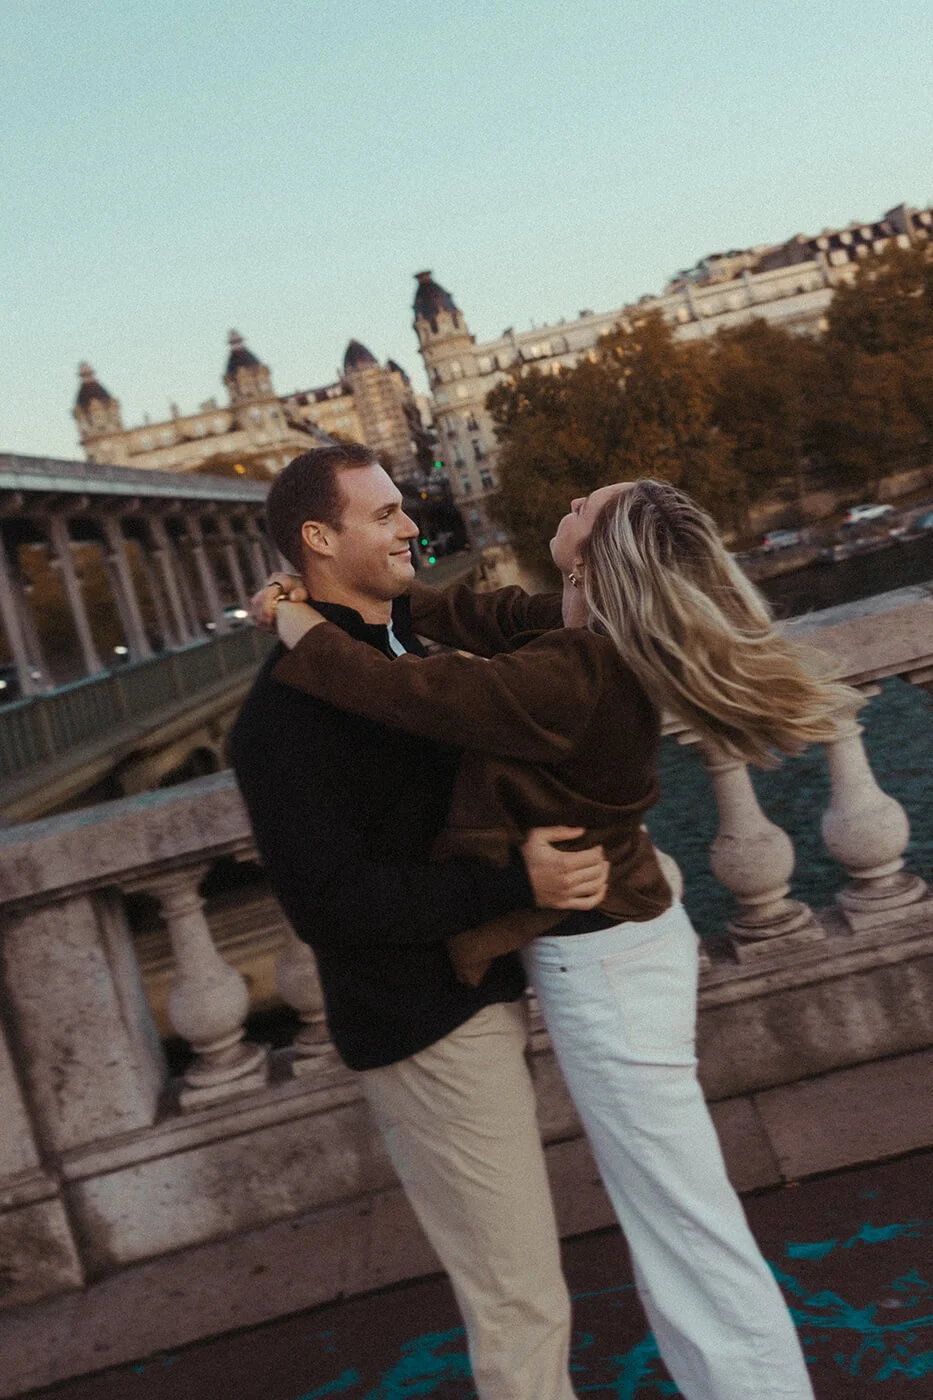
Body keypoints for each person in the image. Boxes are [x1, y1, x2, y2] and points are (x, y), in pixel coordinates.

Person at [257, 476, 854, 1400]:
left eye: (584, 504)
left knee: (680, 1225)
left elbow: (414, 690)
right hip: (618, 942)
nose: (565, 502)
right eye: (383, 514)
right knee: (675, 1216)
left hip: (604, 958)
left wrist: (301, 627)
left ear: (599, 551)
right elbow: (471, 609)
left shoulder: (574, 669)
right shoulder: (570, 625)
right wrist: (360, 593)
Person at [229, 443, 612, 1400]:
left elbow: (524, 630)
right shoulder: (280, 721)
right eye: (385, 514)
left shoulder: (396, 648)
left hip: (474, 991)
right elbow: (332, 907)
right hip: (423, 1022)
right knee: (518, 1301)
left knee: (526, 1291)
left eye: (405, 509)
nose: (411, 528)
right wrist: (514, 885)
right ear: (319, 539)